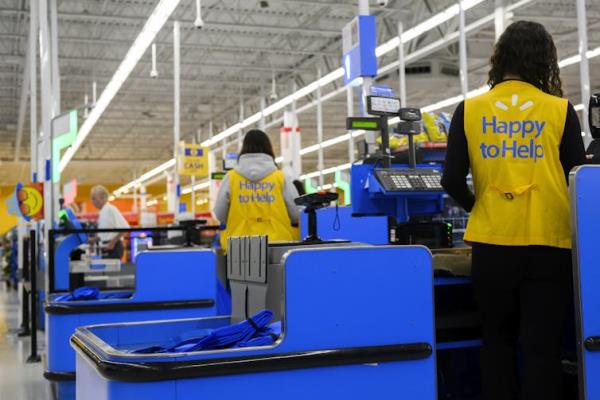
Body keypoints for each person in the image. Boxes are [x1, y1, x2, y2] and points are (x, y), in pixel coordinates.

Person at [441, 21, 586, 400]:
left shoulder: (469, 110)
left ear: (500, 58)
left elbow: (451, 179)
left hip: (492, 247)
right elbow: (580, 180)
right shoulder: (559, 110)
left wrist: (482, 207)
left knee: (497, 343)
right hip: (549, 246)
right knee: (542, 350)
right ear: (545, 61)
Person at [214, 129, 300, 250]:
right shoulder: (280, 177)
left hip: (239, 247)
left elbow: (219, 214)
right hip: (278, 245)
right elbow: (296, 213)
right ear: (268, 148)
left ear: (244, 148)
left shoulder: (231, 178)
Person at [90, 185, 130, 259]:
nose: (92, 201)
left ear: (102, 197)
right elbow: (106, 234)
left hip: (114, 247)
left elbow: (125, 227)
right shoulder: (103, 211)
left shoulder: (110, 209)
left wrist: (112, 243)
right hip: (107, 246)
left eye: (94, 198)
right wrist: (94, 239)